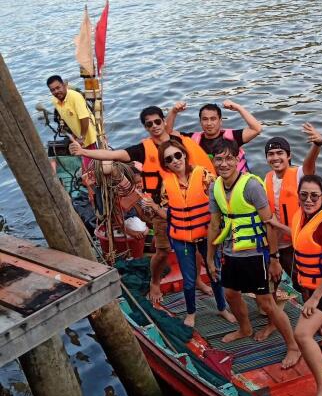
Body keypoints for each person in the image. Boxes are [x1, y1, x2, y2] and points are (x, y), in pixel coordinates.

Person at [69, 106, 214, 303]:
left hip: (188, 206)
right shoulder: (142, 149)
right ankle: (155, 282)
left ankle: (197, 279)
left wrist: (174, 112)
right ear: (145, 127)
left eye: (157, 122)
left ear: (163, 122)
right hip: (159, 208)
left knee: (196, 247)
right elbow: (114, 155)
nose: (154, 126)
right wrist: (83, 151)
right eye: (149, 124)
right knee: (162, 251)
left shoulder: (177, 143)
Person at [206, 139, 301, 369]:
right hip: (231, 251)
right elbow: (214, 224)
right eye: (219, 159)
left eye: (229, 158)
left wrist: (274, 259)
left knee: (266, 303)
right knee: (230, 293)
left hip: (255, 254)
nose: (224, 163)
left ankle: (293, 346)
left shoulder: (251, 186)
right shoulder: (215, 187)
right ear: (214, 161)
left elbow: (270, 223)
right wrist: (210, 258)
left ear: (238, 159)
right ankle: (245, 327)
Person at [267, 174, 322, 396]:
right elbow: (300, 234)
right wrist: (275, 224)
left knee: (303, 334)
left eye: (315, 196)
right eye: (304, 195)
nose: (309, 199)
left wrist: (314, 299)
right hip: (313, 284)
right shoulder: (302, 215)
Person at [255, 123, 322, 341]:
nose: (275, 158)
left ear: (289, 155)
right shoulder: (266, 179)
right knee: (270, 286)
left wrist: (317, 145)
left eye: (280, 153)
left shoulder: (299, 174)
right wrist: (273, 255)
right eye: (271, 154)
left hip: (296, 243)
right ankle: (272, 323)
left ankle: (314, 325)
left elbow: (310, 165)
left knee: (304, 285)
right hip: (274, 243)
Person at [156, 140, 235, 326]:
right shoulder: (166, 184)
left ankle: (222, 307)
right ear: (165, 164)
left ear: (184, 154)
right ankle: (191, 312)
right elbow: (168, 210)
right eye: (169, 159)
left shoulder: (203, 175)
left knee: (215, 272)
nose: (175, 161)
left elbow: (220, 198)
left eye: (177, 155)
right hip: (181, 239)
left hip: (207, 233)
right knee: (189, 279)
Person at [165, 100, 262, 172]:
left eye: (213, 119)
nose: (209, 123)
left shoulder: (232, 137)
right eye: (205, 119)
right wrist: (173, 111)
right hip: (208, 185)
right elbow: (167, 133)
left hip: (234, 184)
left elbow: (257, 129)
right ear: (200, 122)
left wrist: (238, 108)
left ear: (220, 121)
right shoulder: (191, 139)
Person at [47, 75, 98, 169]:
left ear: (64, 85)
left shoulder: (75, 97)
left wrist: (82, 137)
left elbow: (84, 118)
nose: (56, 91)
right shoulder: (55, 100)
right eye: (53, 90)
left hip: (88, 133)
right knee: (85, 160)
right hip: (77, 135)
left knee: (92, 162)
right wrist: (74, 135)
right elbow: (67, 118)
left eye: (58, 88)